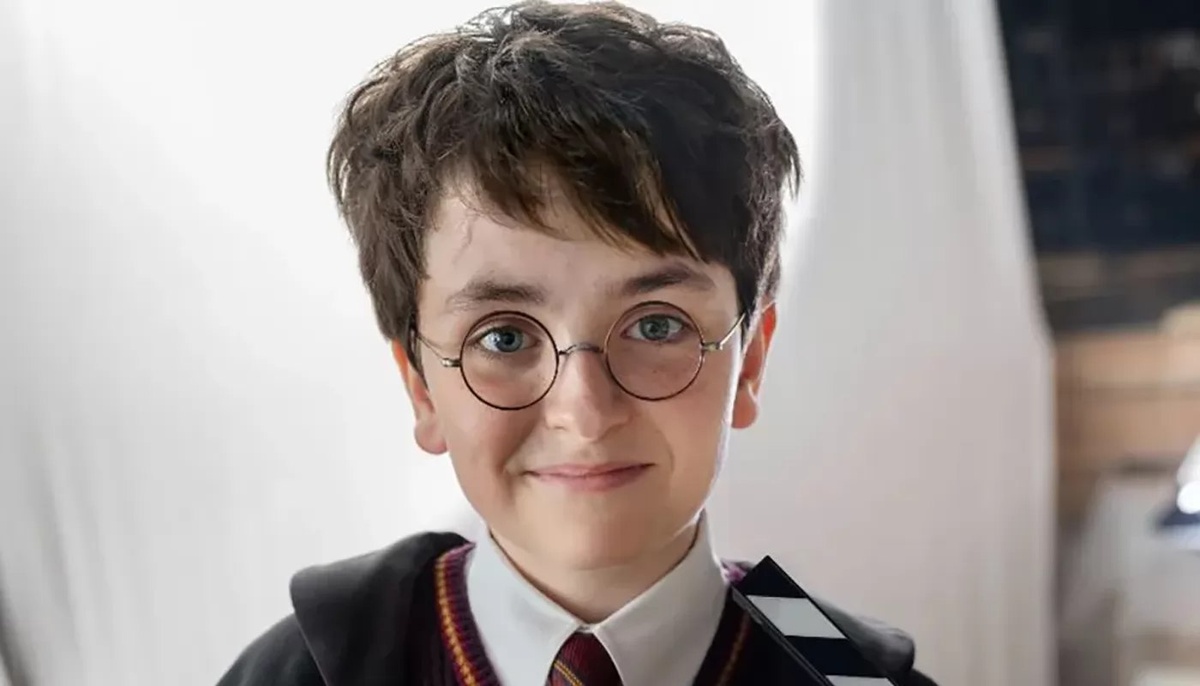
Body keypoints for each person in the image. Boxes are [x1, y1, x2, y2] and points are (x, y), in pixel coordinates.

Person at [217, 2, 937, 684]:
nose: (586, 413)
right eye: (503, 337)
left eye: (657, 325)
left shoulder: (853, 673)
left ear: (749, 362)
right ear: (420, 387)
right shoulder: (312, 667)